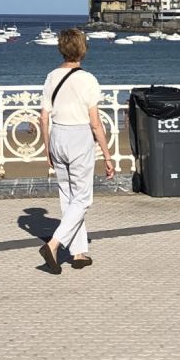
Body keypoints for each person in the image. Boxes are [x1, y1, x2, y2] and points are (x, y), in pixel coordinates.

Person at [37, 27, 114, 272]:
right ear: (83, 50)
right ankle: (54, 244)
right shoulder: (88, 79)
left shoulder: (52, 76)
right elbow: (95, 122)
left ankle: (79, 252)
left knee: (68, 196)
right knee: (82, 198)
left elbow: (43, 117)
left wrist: (47, 148)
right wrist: (107, 156)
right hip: (79, 136)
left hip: (57, 135)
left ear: (61, 49)